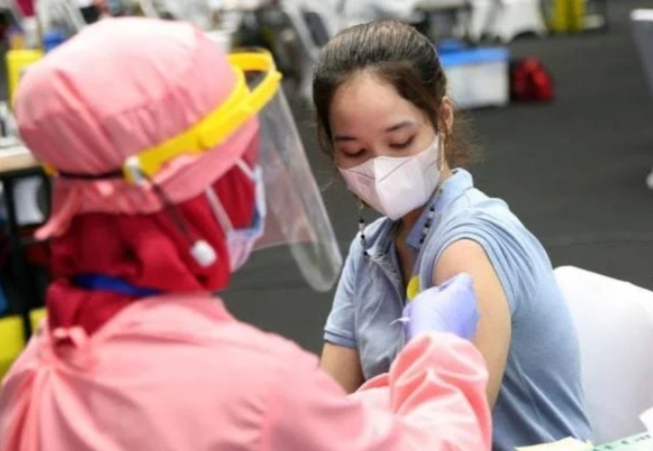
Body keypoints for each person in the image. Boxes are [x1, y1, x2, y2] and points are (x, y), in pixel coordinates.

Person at [0, 17, 493, 451]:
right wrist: (439, 357)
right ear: (205, 187)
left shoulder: (39, 370)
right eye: (242, 160)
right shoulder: (258, 390)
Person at [314, 20, 593, 451]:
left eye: (401, 142)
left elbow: (454, 439)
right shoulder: (369, 249)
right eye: (355, 151)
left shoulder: (464, 248)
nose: (380, 168)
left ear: (442, 118)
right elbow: (326, 413)